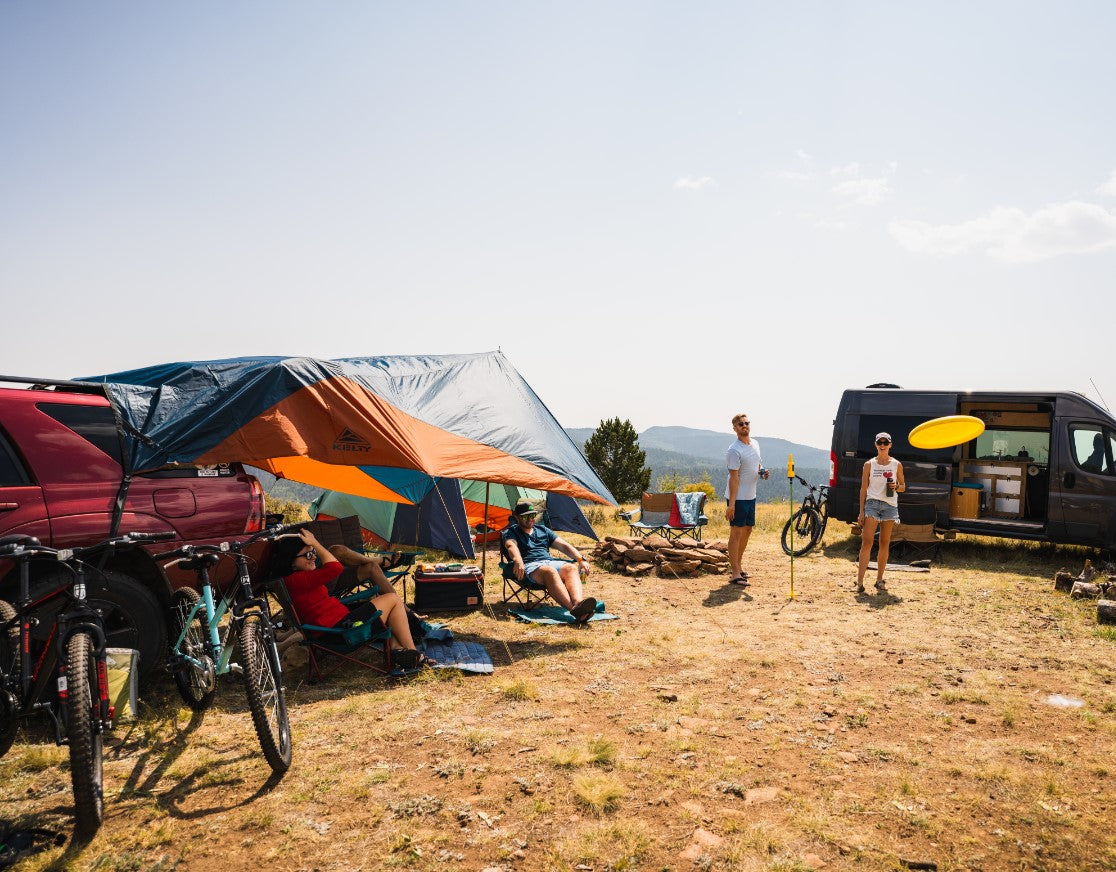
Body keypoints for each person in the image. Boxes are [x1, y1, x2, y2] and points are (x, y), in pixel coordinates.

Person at [282, 529, 429, 670]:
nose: (314, 557)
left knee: (388, 604)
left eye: (313, 552)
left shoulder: (297, 578)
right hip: (339, 633)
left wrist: (312, 547)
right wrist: (315, 543)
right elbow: (335, 568)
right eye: (308, 555)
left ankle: (398, 650)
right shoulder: (297, 579)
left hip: (339, 626)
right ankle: (414, 654)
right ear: (292, 562)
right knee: (393, 599)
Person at [501, 501, 597, 623]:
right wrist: (518, 560)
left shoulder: (543, 530)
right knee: (549, 571)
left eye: (532, 515)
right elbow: (511, 546)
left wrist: (581, 559)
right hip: (529, 565)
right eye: (525, 516)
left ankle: (578, 603)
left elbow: (564, 546)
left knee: (571, 567)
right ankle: (575, 611)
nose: (530, 519)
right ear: (517, 517)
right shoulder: (511, 532)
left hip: (549, 561)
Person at [856, 432, 906, 593]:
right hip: (872, 504)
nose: (882, 445)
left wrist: (896, 487)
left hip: (890, 505)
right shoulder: (869, 464)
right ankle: (859, 583)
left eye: (885, 442)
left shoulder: (897, 464)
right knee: (867, 542)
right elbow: (863, 489)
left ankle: (879, 580)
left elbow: (903, 487)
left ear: (890, 445)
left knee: (885, 542)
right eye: (880, 442)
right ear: (876, 444)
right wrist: (861, 511)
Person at [725, 412, 768, 585]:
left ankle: (739, 565)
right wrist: (731, 505)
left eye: (746, 423)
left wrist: (762, 472)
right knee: (736, 532)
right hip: (738, 498)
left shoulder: (755, 444)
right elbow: (734, 478)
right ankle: (735, 573)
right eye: (740, 424)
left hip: (751, 495)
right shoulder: (734, 450)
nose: (744, 426)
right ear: (735, 429)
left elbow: (757, 464)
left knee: (748, 530)